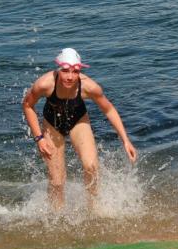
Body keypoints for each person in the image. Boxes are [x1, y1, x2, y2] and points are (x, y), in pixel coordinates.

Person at [22, 48, 137, 212]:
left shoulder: (89, 86)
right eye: (65, 71)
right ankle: (56, 215)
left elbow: (109, 109)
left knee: (91, 166)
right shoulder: (45, 84)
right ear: (58, 69)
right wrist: (39, 138)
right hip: (52, 123)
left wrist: (125, 140)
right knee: (57, 181)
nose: (70, 77)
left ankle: (93, 208)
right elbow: (27, 105)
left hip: (78, 121)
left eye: (75, 71)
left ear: (80, 71)